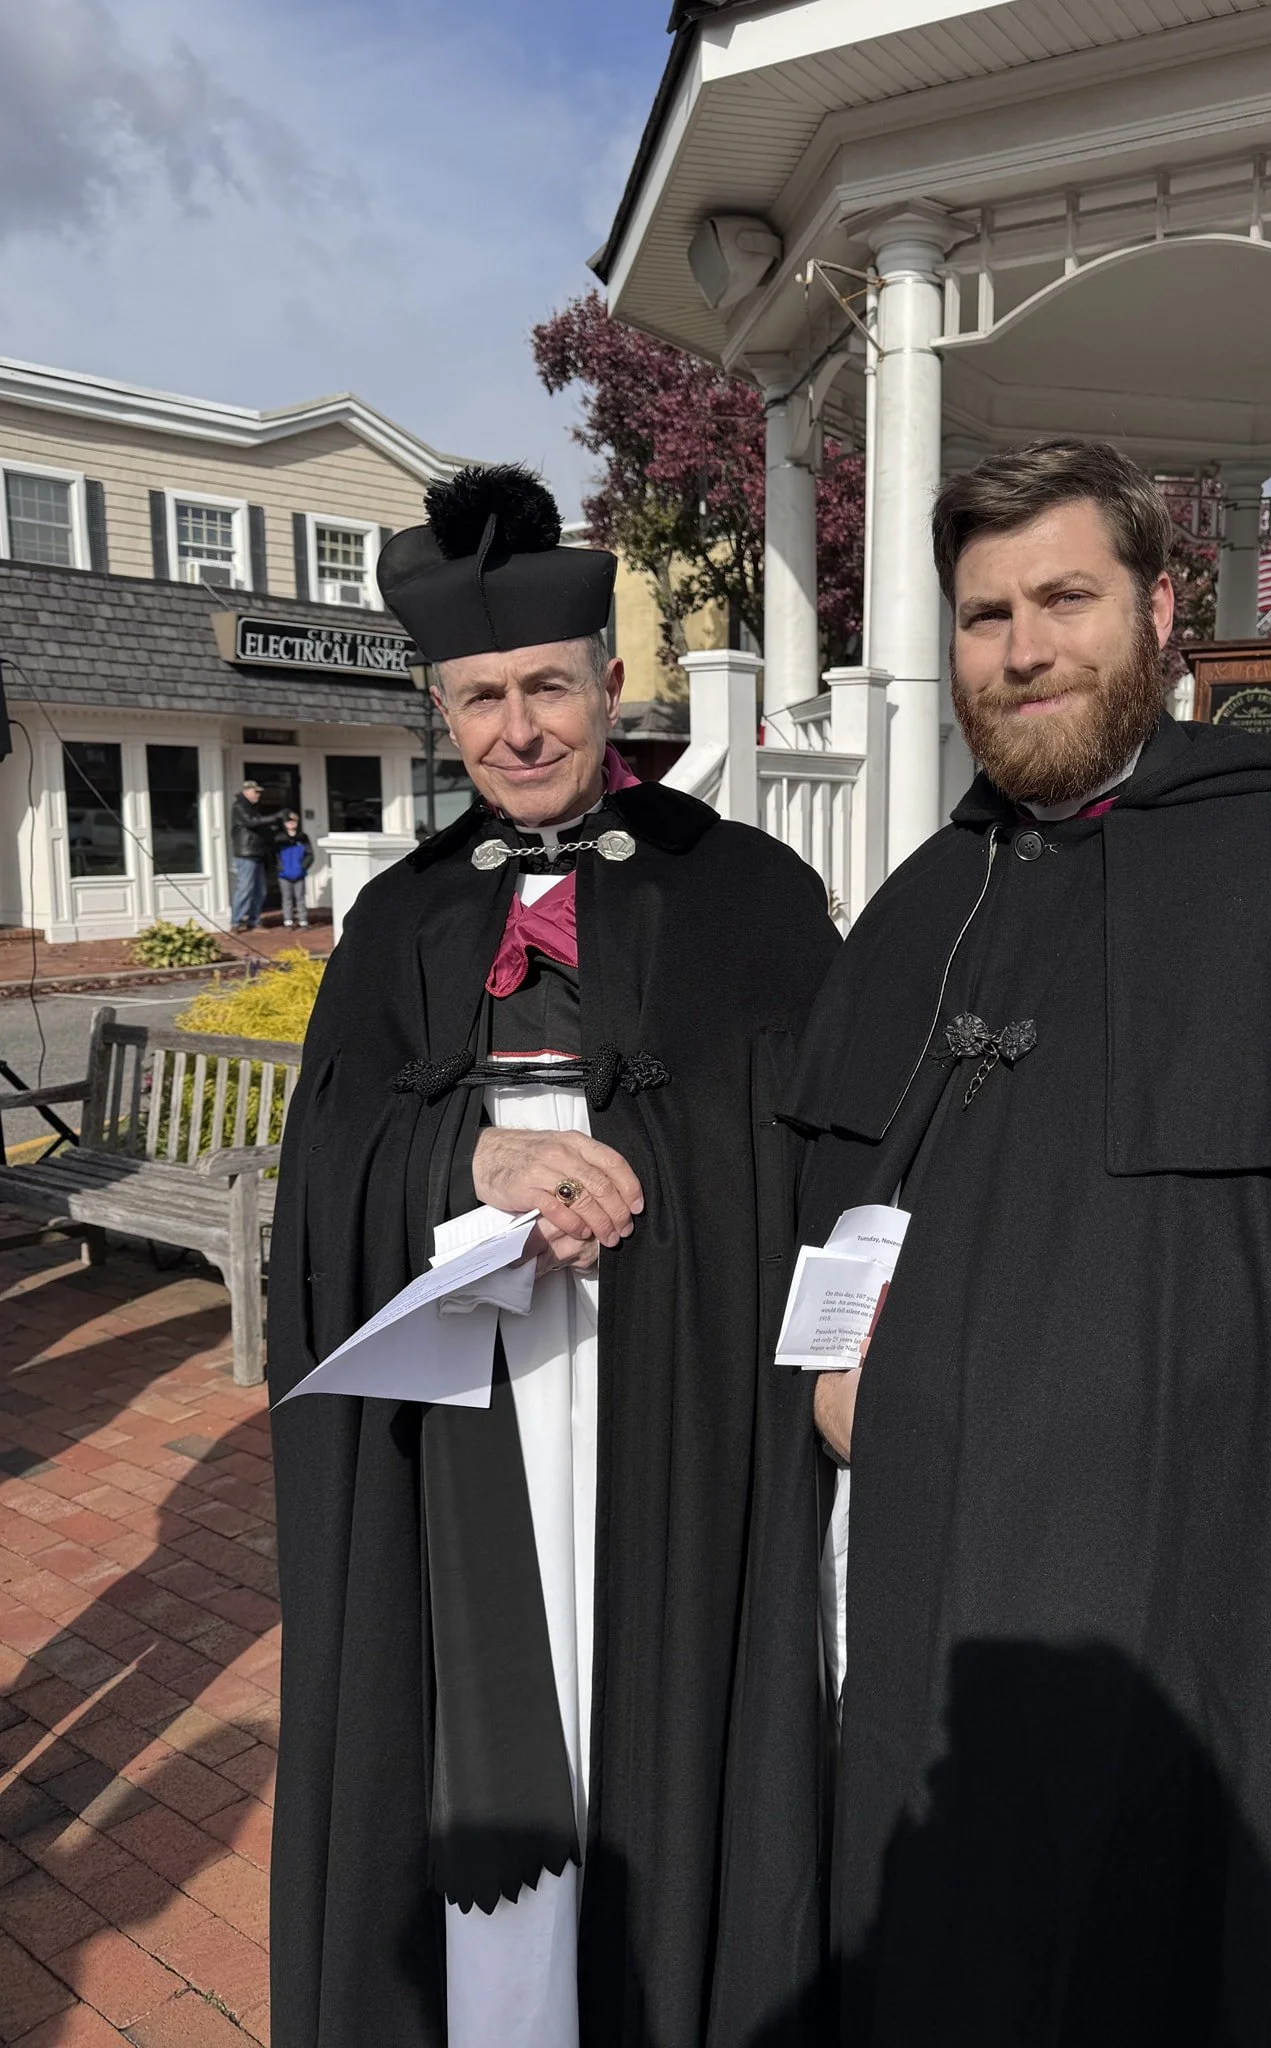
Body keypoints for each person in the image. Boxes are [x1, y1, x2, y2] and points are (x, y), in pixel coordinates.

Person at [748, 438, 1271, 2044]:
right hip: (921, 1573)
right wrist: (841, 1374)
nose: (1022, 647)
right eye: (984, 614)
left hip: (1189, 1603)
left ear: (1162, 610)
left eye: (1062, 598)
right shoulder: (928, 897)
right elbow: (834, 1205)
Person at [266, 464, 840, 2048]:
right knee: (479, 1710)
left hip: (678, 1387)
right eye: (478, 700)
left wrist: (663, 1181)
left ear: (606, 685)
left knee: (664, 1701)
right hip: (470, 1412)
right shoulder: (396, 920)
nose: (516, 731)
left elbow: (829, 1151)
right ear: (441, 712)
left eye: (545, 689)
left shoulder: (752, 894)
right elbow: (323, 1177)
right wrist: (473, 1154)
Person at [230, 778, 280, 928]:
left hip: (257, 852)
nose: (258, 795)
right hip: (246, 853)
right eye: (255, 791)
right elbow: (251, 822)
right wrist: (275, 817)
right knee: (245, 888)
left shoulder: (252, 807)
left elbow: (258, 823)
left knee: (261, 890)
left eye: (259, 792)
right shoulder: (240, 806)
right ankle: (236, 921)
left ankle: (254, 920)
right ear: (246, 791)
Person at [275, 812, 313, 928]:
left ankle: (303, 921)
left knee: (300, 898)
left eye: (294, 821)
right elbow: (274, 855)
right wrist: (279, 867)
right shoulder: (279, 838)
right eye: (288, 821)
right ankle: (288, 921)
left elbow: (310, 855)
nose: (291, 824)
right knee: (287, 898)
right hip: (284, 874)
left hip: (299, 873)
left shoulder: (303, 837)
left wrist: (302, 867)